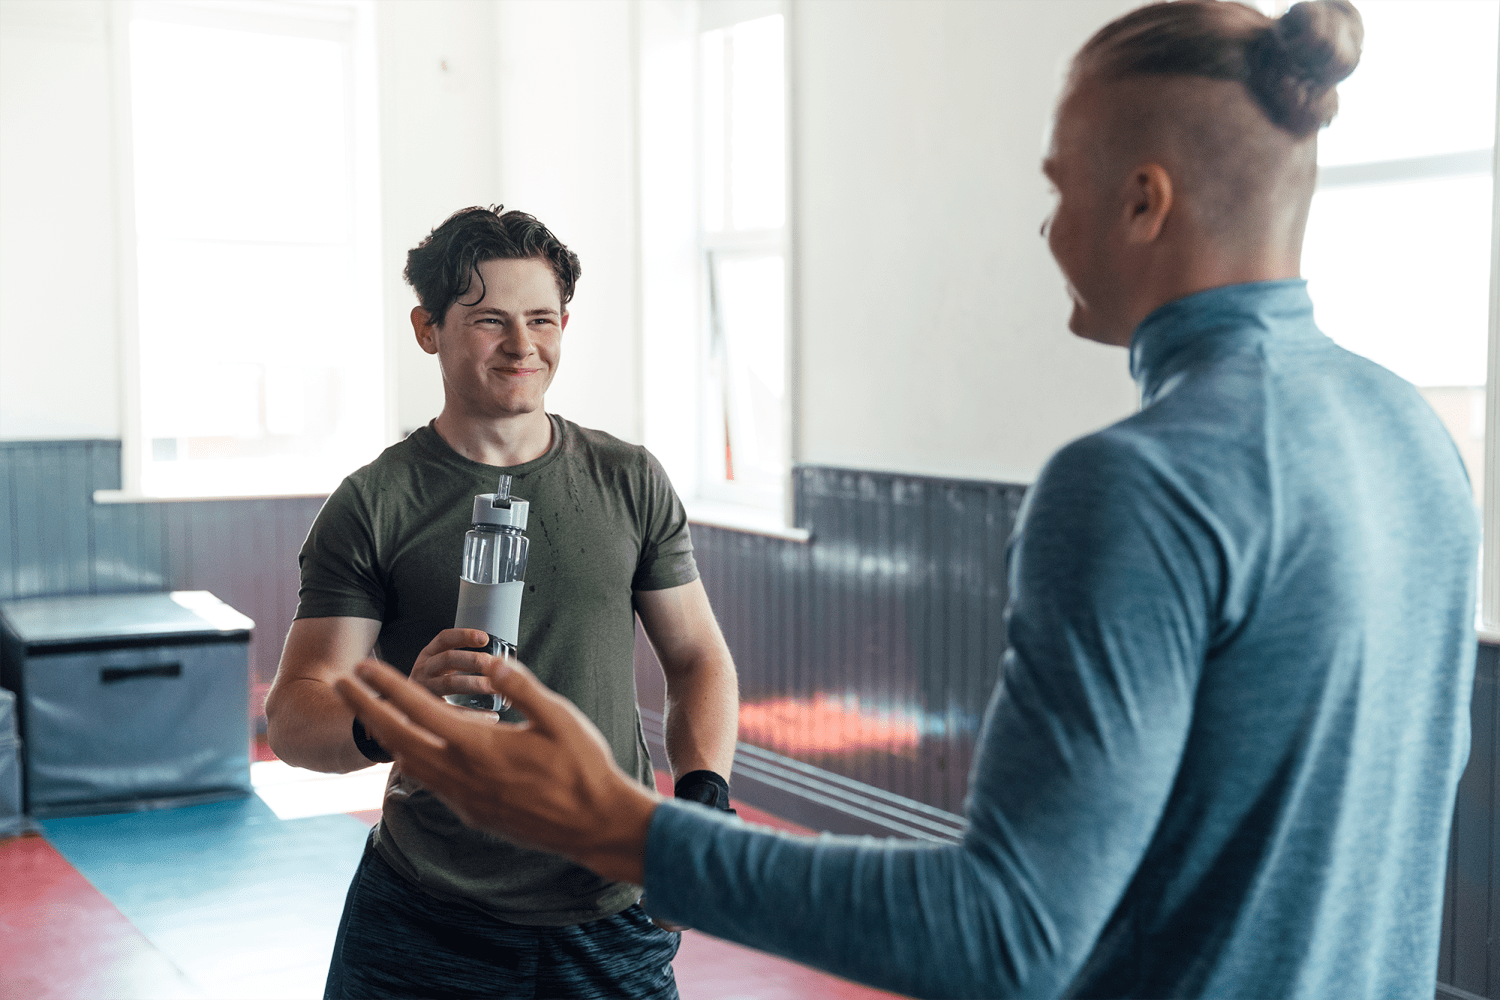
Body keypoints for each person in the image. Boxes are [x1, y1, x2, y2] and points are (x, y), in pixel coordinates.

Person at [334, 3, 1482, 998]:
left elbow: (1007, 932)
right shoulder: (1413, 435)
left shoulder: (1138, 482)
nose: (1045, 227)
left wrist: (621, 822)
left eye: (1058, 186)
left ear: (1144, 201)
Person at [264, 206, 741, 1000]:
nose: (523, 347)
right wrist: (396, 715)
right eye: (490, 321)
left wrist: (702, 805)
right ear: (428, 329)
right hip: (424, 920)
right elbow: (293, 714)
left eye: (542, 319)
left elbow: (698, 661)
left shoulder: (629, 480)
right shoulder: (375, 504)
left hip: (611, 908)